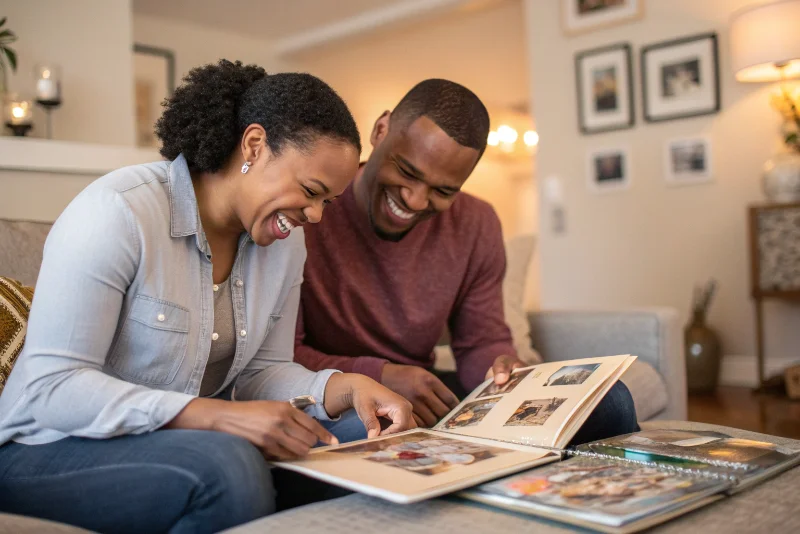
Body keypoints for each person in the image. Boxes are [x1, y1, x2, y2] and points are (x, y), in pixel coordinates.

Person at [0, 60, 414, 534]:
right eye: (311, 191)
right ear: (255, 145)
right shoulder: (117, 212)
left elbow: (262, 371)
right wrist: (214, 417)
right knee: (226, 465)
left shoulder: (283, 244)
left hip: (187, 442)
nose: (317, 216)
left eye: (328, 202)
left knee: (366, 441)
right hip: (43, 450)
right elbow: (54, 387)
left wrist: (342, 387)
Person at [295, 78, 638, 442]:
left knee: (610, 401)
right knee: (368, 432)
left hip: (420, 396)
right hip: (335, 398)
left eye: (443, 191)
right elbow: (282, 359)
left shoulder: (476, 223)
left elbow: (480, 341)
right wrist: (378, 375)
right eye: (408, 172)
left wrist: (502, 369)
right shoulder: (312, 206)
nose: (414, 200)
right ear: (381, 130)